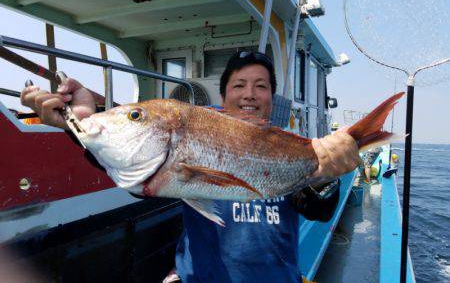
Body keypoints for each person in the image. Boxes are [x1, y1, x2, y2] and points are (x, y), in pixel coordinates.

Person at [21, 51, 361, 282]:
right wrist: (77, 126)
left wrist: (328, 173)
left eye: (262, 86)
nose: (250, 94)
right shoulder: (192, 135)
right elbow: (132, 163)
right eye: (239, 85)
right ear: (225, 96)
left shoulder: (291, 144)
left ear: (272, 96)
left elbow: (320, 210)